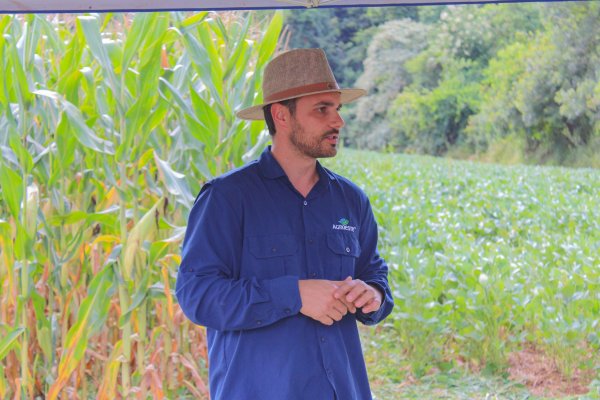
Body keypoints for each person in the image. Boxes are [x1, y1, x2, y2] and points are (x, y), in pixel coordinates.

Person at [176, 48, 394, 400]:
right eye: (322, 109)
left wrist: (374, 295)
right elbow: (197, 295)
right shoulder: (227, 198)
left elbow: (374, 273)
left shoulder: (351, 200)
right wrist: (294, 294)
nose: (338, 122)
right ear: (281, 115)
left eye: (338, 109)